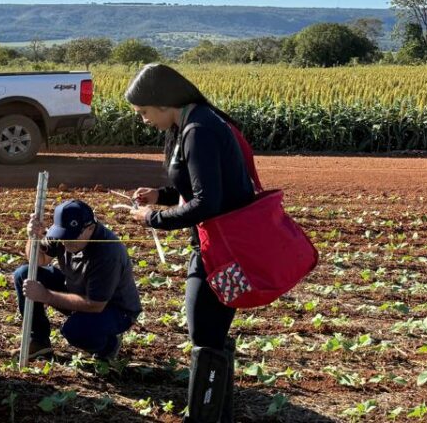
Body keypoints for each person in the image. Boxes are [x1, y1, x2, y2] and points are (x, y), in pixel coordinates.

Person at [124, 63, 255, 423]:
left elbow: (207, 202)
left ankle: (203, 417)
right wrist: (161, 195)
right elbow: (203, 185)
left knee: (205, 336)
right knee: (212, 334)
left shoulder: (199, 130)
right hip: (222, 247)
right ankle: (216, 416)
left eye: (144, 112)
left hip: (223, 252)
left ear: (163, 103)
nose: (143, 120)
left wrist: (153, 218)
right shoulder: (194, 122)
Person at [14, 199, 141, 362]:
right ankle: (38, 342)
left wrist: (46, 296)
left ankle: (108, 346)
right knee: (24, 274)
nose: (66, 242)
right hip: (78, 290)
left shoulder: (108, 252)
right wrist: (33, 237)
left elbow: (95, 304)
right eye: (63, 236)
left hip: (113, 309)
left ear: (90, 228)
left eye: (71, 237)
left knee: (75, 330)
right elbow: (39, 260)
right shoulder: (63, 233)